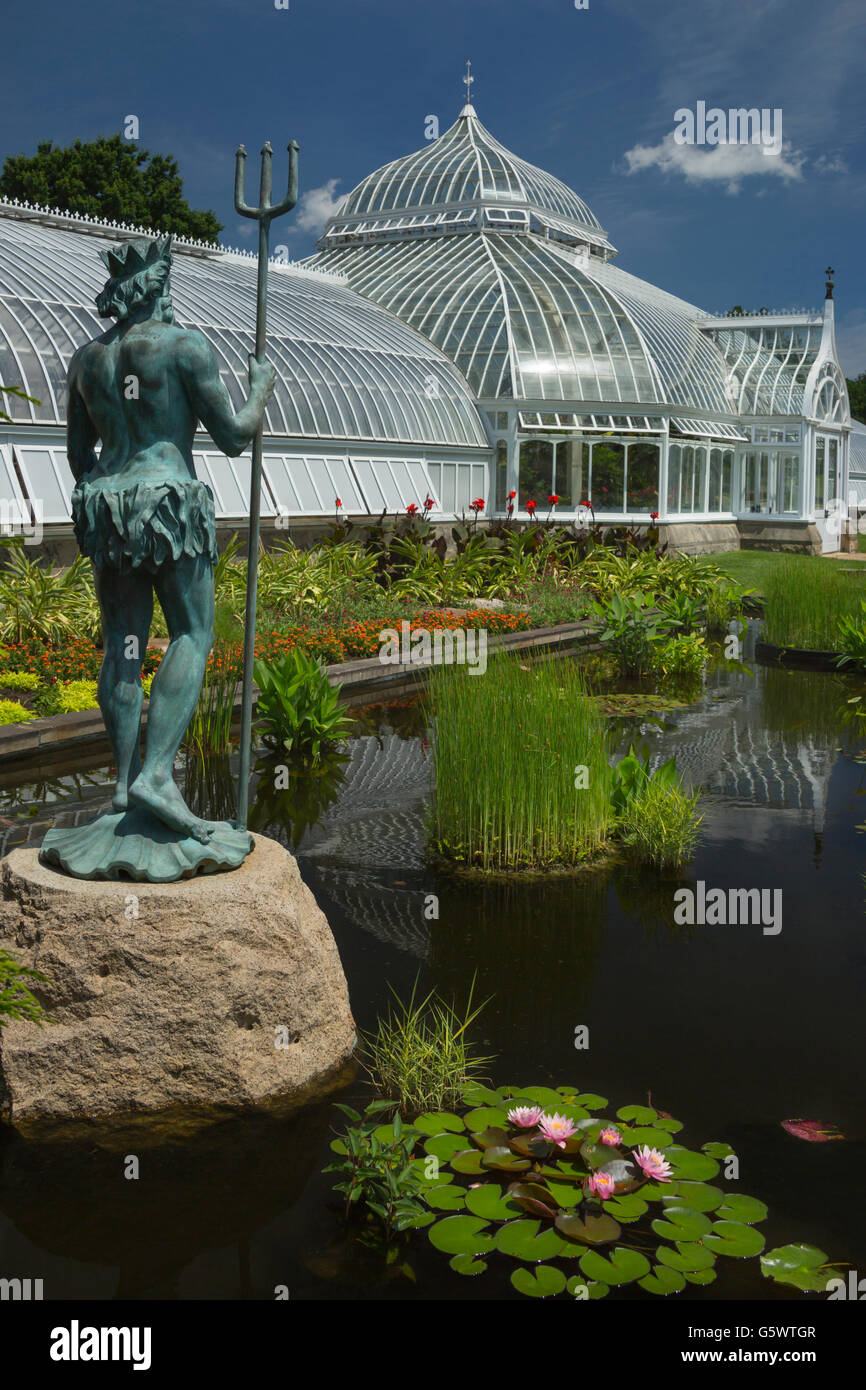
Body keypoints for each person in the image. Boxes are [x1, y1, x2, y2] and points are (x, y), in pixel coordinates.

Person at [66, 233, 275, 843]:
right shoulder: (184, 347)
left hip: (107, 506)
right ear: (157, 286)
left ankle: (123, 781)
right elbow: (234, 436)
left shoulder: (86, 361)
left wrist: (111, 496)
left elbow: (80, 455)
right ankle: (157, 775)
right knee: (191, 631)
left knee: (123, 646)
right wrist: (259, 387)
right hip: (168, 501)